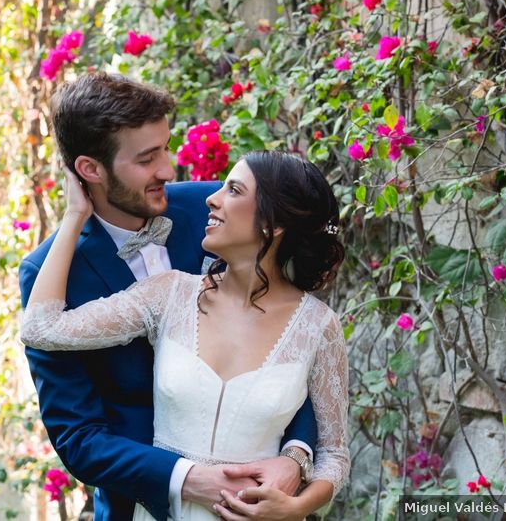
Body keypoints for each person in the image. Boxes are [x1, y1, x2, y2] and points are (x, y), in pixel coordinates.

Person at [18, 73, 320, 521]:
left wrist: (294, 457)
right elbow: (78, 437)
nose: (168, 168)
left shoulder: (216, 210)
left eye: (165, 148)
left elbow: (294, 341)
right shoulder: (50, 276)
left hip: (264, 503)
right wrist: (187, 477)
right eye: (147, 158)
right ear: (90, 170)